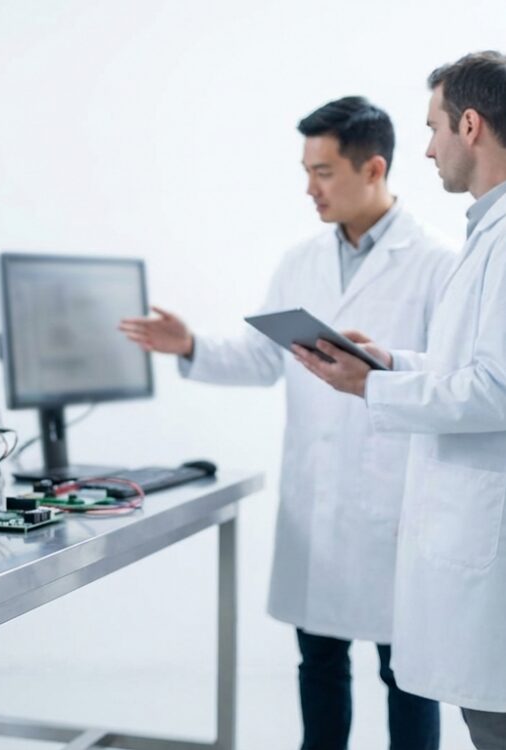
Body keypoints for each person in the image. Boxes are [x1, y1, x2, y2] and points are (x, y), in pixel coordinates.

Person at [120, 96, 454, 750]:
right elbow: (260, 359)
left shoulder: (438, 265)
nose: (309, 188)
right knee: (320, 665)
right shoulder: (301, 261)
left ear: (374, 169)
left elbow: (447, 381)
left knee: (408, 675)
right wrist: (189, 345)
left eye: (323, 172)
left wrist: (382, 374)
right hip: (319, 504)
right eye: (307, 171)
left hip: (396, 507)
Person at [293, 51, 506, 750]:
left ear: (469, 126)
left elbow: (497, 390)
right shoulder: (487, 235)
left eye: (433, 126)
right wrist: (390, 362)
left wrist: (372, 385)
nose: (426, 146)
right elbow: (467, 367)